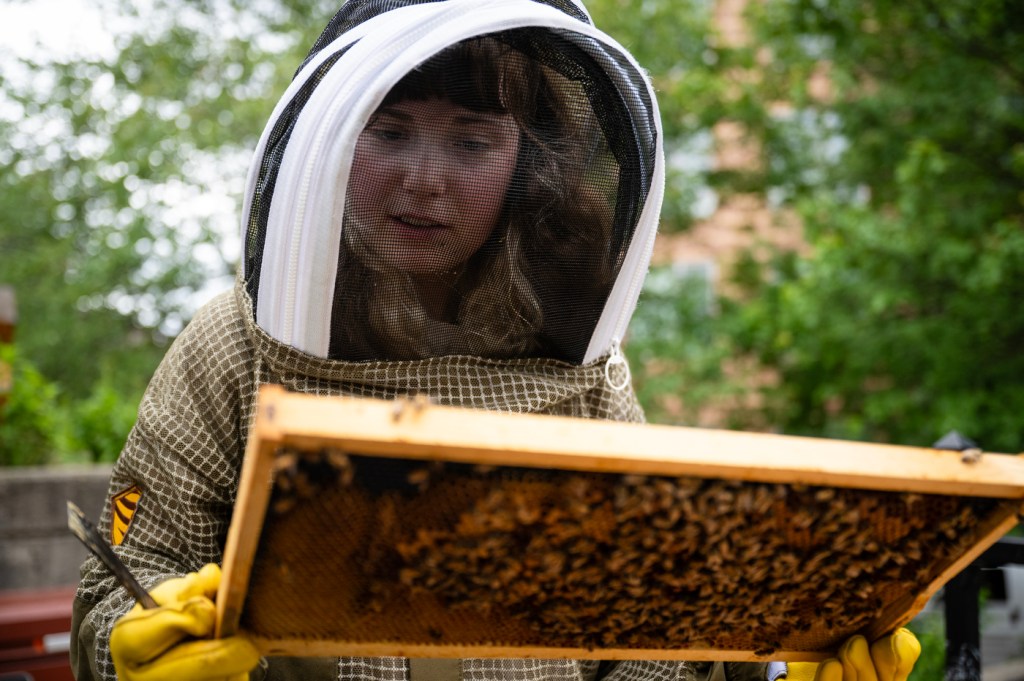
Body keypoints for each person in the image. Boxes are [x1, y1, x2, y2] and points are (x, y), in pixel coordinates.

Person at [69, 1, 921, 680]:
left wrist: (764, 666)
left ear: (527, 161)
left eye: (473, 139)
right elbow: (119, 582)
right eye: (391, 129)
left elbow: (648, 632)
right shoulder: (232, 343)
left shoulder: (586, 371)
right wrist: (136, 650)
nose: (425, 179)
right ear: (332, 136)